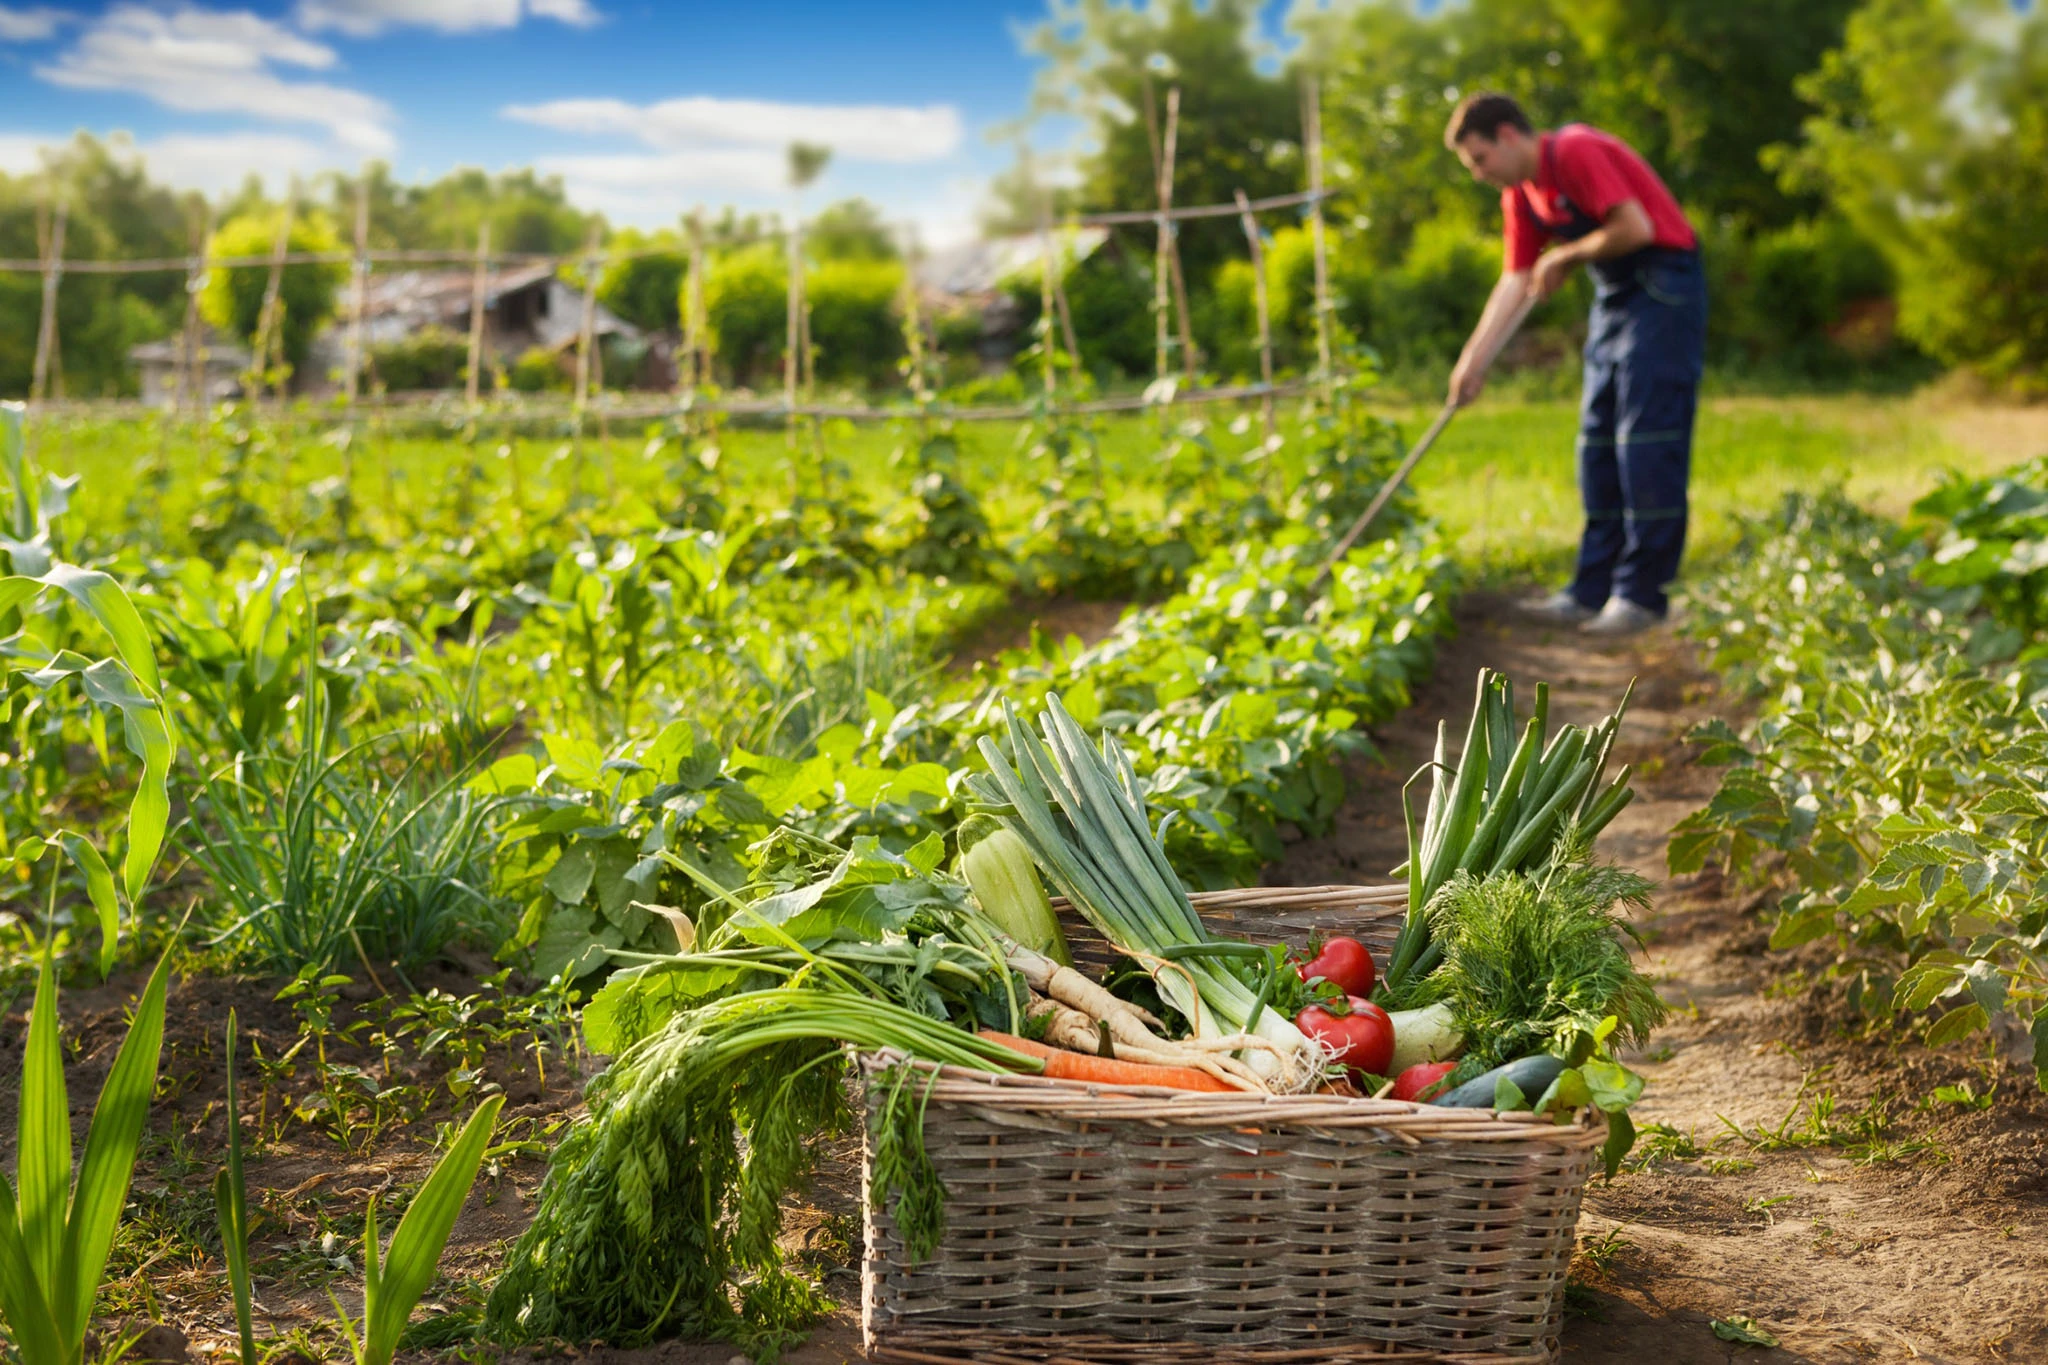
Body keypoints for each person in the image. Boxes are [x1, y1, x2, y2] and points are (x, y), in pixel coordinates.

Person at [1444, 93, 1707, 636]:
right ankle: (1591, 591)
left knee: (1645, 442)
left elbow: (1635, 229)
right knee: (1597, 443)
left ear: (1509, 136)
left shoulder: (1577, 151)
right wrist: (1474, 363)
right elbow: (1515, 279)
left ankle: (1641, 597)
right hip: (1616, 299)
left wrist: (1564, 255)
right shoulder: (1522, 194)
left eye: (1479, 159)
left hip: (1664, 288)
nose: (1478, 173)